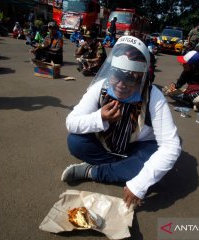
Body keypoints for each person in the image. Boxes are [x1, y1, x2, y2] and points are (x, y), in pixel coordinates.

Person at [61, 36, 181, 208]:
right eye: (116, 74)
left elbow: (170, 145)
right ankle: (124, 168)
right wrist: (100, 118)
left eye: (131, 78)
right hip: (108, 144)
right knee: (75, 141)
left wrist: (138, 186)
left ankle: (92, 171)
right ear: (110, 70)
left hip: (138, 146)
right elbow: (71, 122)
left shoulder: (152, 95)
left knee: (153, 161)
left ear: (142, 79)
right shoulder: (101, 87)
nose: (120, 84)